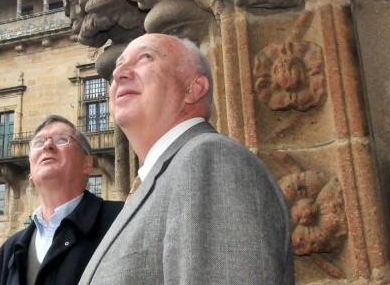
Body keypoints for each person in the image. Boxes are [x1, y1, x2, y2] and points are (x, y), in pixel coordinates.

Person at [80, 34, 294, 284]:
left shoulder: (211, 161)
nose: (119, 74)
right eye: (118, 66)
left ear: (193, 89)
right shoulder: (163, 177)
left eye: (146, 58)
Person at [0, 115, 123, 285]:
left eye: (61, 139)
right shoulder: (8, 252)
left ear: (87, 163)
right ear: (30, 170)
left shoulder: (122, 221)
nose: (47, 145)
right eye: (38, 143)